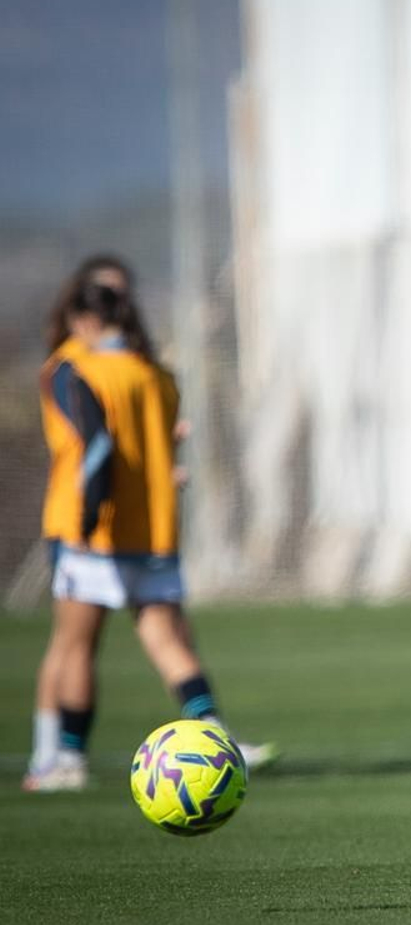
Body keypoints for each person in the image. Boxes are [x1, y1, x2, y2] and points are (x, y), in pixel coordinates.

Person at [22, 256, 275, 792]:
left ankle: (63, 758)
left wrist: (91, 517)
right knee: (167, 639)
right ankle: (217, 737)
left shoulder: (73, 368)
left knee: (73, 645)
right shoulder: (156, 373)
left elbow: (97, 449)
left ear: (83, 320)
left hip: (95, 530)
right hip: (155, 529)